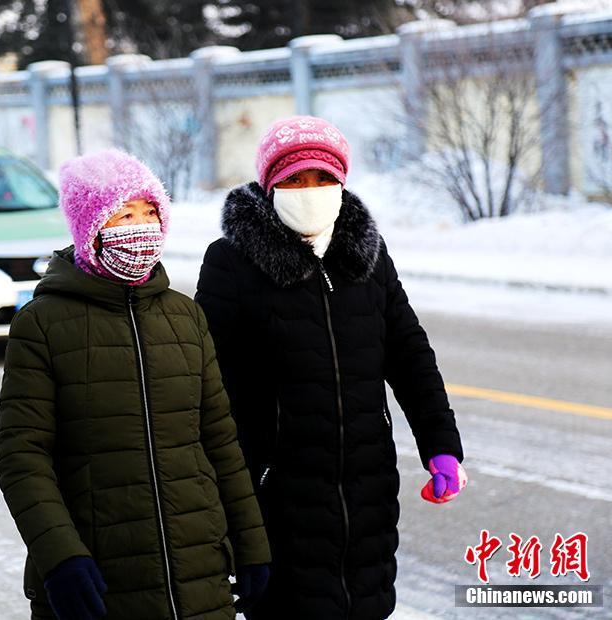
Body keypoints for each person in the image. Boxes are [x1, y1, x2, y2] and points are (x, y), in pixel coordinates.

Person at [195, 116, 468, 619]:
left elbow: (409, 353)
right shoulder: (231, 263)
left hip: (366, 490)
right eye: (294, 179)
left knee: (364, 603)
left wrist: (441, 446)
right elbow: (205, 387)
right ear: (269, 185)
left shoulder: (366, 257)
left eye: (323, 178)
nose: (310, 191)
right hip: (276, 497)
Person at [0, 149, 271, 620]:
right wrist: (59, 555)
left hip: (199, 572)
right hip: (99, 577)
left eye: (150, 212)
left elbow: (220, 441)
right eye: (124, 214)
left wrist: (252, 543)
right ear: (91, 228)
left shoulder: (184, 316)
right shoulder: (42, 324)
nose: (141, 227)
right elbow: (22, 456)